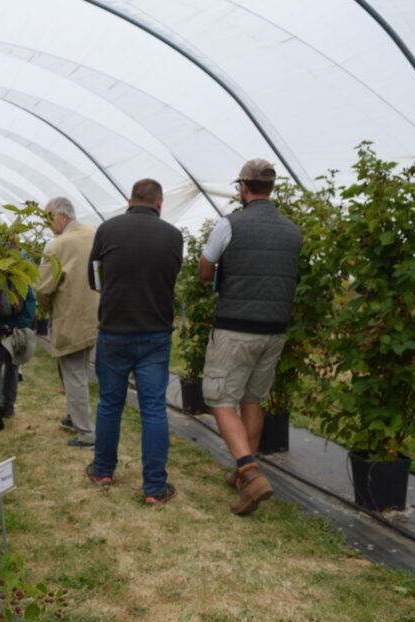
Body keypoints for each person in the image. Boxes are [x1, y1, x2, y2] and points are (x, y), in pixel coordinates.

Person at [198, 159, 302, 515]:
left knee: (221, 399)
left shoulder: (230, 224)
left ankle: (250, 472)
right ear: (271, 188)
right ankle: (244, 471)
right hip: (274, 330)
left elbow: (203, 270)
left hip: (235, 327)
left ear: (243, 188)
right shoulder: (292, 230)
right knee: (252, 400)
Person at [86, 179, 183, 505]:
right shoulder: (173, 235)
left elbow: (94, 278)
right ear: (159, 202)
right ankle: (155, 488)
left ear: (130, 199)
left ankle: (102, 471)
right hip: (155, 333)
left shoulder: (107, 229)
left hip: (114, 331)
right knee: (154, 409)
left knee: (110, 404)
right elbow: (171, 277)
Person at [34, 197, 99, 447]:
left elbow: (41, 287)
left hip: (70, 318)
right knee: (81, 370)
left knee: (74, 375)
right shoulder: (94, 234)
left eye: (49, 218)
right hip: (94, 315)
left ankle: (86, 433)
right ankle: (74, 417)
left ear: (61, 216)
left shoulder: (58, 245)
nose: (49, 224)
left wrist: (51, 307)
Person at [0, 273, 36, 431]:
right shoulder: (20, 268)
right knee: (13, 364)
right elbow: (30, 299)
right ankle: (9, 408)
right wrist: (19, 325)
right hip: (15, 328)